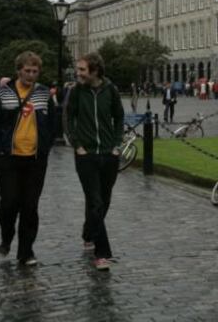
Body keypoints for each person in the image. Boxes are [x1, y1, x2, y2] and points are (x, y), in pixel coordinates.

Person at [0, 51, 55, 267]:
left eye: (35, 71)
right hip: (9, 158)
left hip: (35, 159)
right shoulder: (3, 93)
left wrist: (46, 146)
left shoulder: (43, 94)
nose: (31, 75)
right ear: (18, 70)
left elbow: (53, 122)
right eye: (27, 70)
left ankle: (26, 251)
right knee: (8, 203)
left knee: (30, 206)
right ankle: (6, 237)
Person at [66, 52, 125, 271]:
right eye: (78, 69)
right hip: (86, 155)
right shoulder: (75, 92)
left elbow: (119, 117)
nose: (78, 73)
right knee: (96, 201)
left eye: (82, 69)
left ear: (95, 70)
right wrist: (77, 145)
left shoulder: (111, 91)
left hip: (109, 154)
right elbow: (68, 118)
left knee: (104, 201)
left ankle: (88, 232)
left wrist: (117, 144)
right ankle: (102, 253)